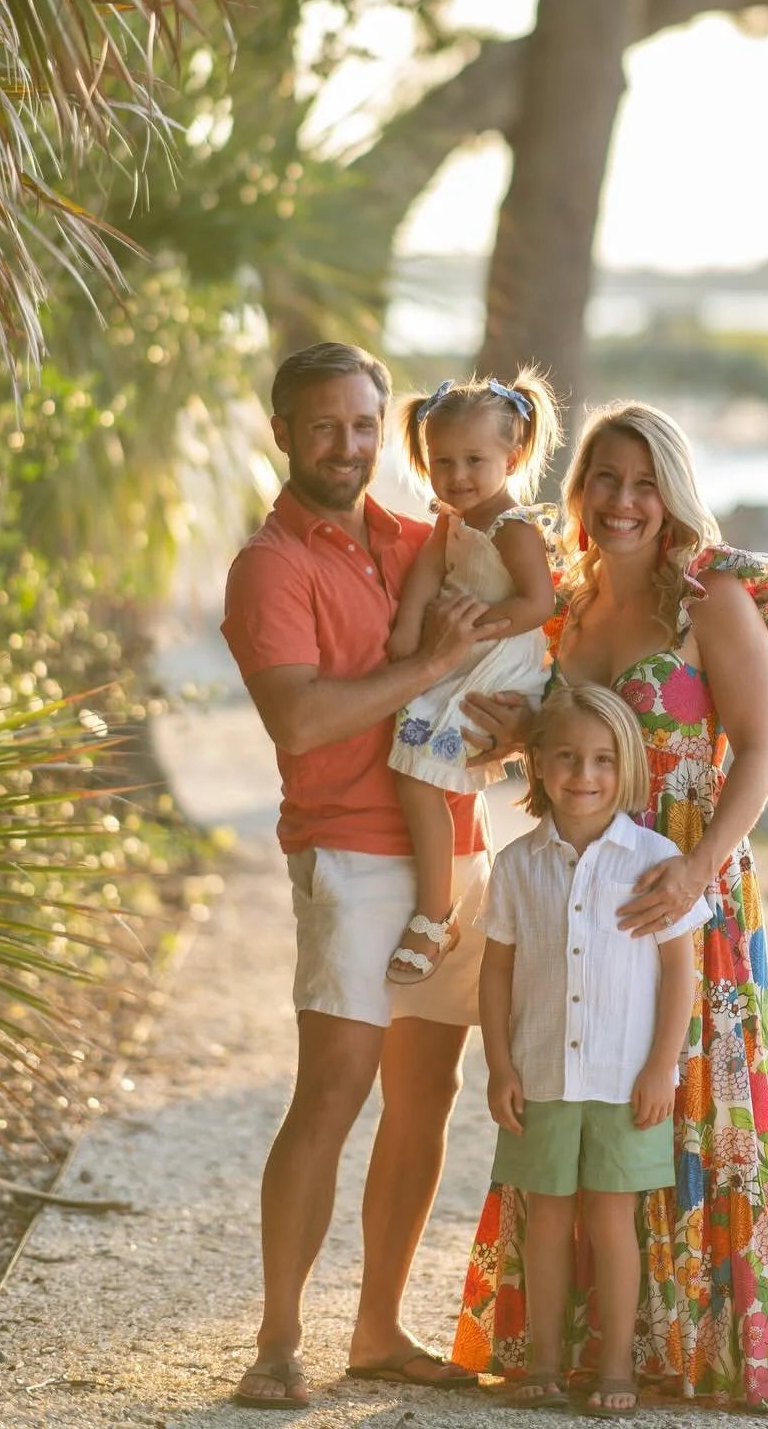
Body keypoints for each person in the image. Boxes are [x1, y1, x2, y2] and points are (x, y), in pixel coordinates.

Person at [453, 402, 768, 1410]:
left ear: (670, 492)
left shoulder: (709, 597)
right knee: (572, 1086)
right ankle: (572, 1347)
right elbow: (572, 743)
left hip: (684, 886)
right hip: (577, 894)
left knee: (688, 1105)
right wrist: (513, 737)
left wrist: (702, 869)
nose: (623, 502)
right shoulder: (566, 605)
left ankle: (692, 1342)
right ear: (579, 490)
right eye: (604, 480)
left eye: (643, 483)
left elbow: (761, 751)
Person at [221, 341, 500, 1410]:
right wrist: (427, 665)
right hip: (351, 851)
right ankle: (278, 1341)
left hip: (453, 848)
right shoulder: (270, 565)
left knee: (426, 1098)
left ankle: (378, 1330)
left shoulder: (428, 537)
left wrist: (513, 728)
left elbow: (507, 655)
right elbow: (299, 717)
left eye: (365, 424)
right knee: (332, 1094)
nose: (349, 444)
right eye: (325, 424)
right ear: (283, 431)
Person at [479, 682, 709, 1419]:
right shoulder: (517, 865)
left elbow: (680, 970)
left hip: (623, 1079)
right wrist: (500, 1066)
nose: (586, 774)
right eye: (569, 757)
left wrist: (661, 1067)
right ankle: (545, 1362)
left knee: (613, 1222)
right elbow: (497, 969)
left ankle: (616, 1367)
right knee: (546, 1220)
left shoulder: (655, 859)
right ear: (539, 764)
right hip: (541, 1073)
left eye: (605, 759)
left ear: (628, 768)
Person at [385, 372, 561, 985]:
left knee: (416, 777)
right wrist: (408, 636)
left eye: (475, 461)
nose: (457, 476)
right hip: (460, 654)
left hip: (496, 660)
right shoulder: (452, 519)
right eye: (443, 462)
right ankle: (455, 893)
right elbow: (427, 576)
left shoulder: (514, 527)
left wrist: (473, 630)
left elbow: (539, 603)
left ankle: (436, 915)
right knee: (415, 766)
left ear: (511, 458)